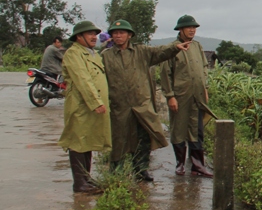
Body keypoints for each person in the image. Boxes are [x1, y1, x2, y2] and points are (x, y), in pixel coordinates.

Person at [102, 19, 190, 181]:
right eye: (115, 33)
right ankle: (116, 171)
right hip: (119, 106)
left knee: (143, 138)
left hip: (141, 104)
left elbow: (160, 52)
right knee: (119, 139)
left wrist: (175, 47)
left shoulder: (141, 52)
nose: (118, 35)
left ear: (129, 35)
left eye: (121, 33)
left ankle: (141, 169)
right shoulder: (106, 56)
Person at [57, 21, 111, 193]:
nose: (93, 37)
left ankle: (86, 178)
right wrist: (96, 102)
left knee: (87, 142)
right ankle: (79, 183)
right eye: (89, 34)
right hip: (81, 105)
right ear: (79, 37)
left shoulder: (92, 53)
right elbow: (83, 80)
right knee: (78, 142)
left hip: (91, 106)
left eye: (95, 34)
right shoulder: (74, 54)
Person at [160, 15, 216, 176]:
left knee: (196, 129)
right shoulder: (172, 48)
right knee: (178, 129)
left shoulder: (197, 47)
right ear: (180, 29)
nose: (192, 30)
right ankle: (180, 164)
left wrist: (205, 88)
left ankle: (198, 165)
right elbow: (165, 74)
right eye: (189, 27)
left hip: (196, 96)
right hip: (180, 96)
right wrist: (170, 96)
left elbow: (204, 69)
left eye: (194, 27)